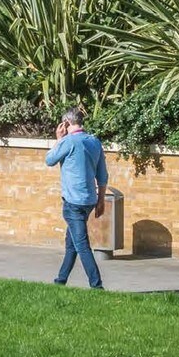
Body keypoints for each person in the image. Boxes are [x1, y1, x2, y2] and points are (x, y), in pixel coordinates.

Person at [44, 107, 108, 288]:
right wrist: (101, 200)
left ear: (65, 123)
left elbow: (49, 160)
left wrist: (58, 139)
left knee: (81, 245)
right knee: (72, 243)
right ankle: (61, 280)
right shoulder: (94, 142)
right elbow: (102, 175)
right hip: (89, 201)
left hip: (73, 203)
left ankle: (97, 285)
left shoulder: (69, 142)